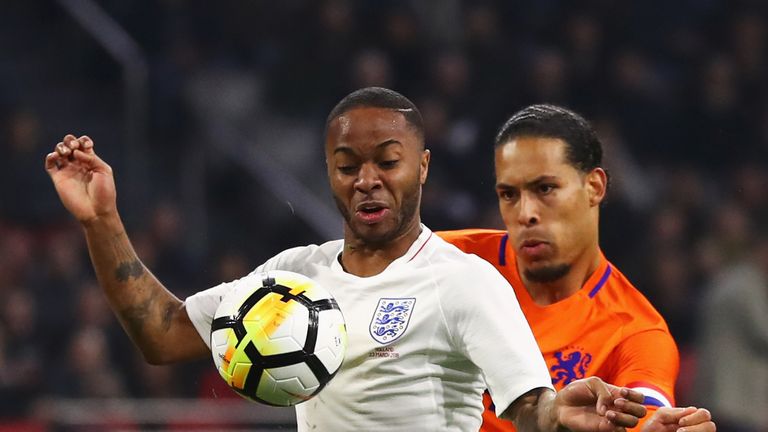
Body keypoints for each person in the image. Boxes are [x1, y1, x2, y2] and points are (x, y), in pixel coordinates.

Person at [45, 87, 647, 431]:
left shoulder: (463, 282)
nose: (367, 180)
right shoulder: (292, 278)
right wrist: (101, 221)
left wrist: (562, 411)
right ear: (328, 171)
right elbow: (163, 334)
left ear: (422, 167)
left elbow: (529, 408)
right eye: (347, 165)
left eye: (387, 161)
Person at [438, 104, 715, 432]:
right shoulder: (446, 259)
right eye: (509, 194)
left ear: (594, 187)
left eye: (545, 189)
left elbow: (646, 412)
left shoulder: (634, 331)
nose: (526, 213)